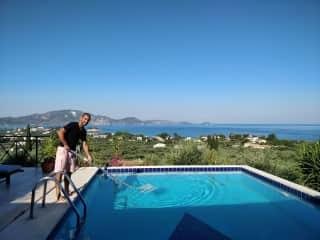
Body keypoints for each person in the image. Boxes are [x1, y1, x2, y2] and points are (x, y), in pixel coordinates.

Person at [54, 112, 93, 201]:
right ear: (81, 118)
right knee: (59, 173)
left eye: (88, 120)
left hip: (72, 152)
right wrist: (65, 144)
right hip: (63, 149)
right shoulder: (72, 125)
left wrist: (89, 156)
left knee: (69, 173)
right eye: (85, 119)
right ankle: (58, 195)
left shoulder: (83, 131)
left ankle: (67, 191)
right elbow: (60, 132)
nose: (86, 121)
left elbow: (84, 144)